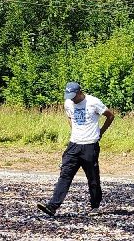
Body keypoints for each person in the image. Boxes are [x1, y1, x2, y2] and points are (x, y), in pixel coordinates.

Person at [40, 81, 117, 217]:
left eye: (73, 96)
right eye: (69, 96)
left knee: (92, 177)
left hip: (90, 145)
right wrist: (75, 130)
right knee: (65, 175)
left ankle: (95, 206)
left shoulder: (93, 102)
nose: (71, 99)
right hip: (74, 145)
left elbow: (110, 116)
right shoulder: (68, 103)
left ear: (80, 93)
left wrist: (101, 132)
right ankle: (52, 206)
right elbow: (69, 117)